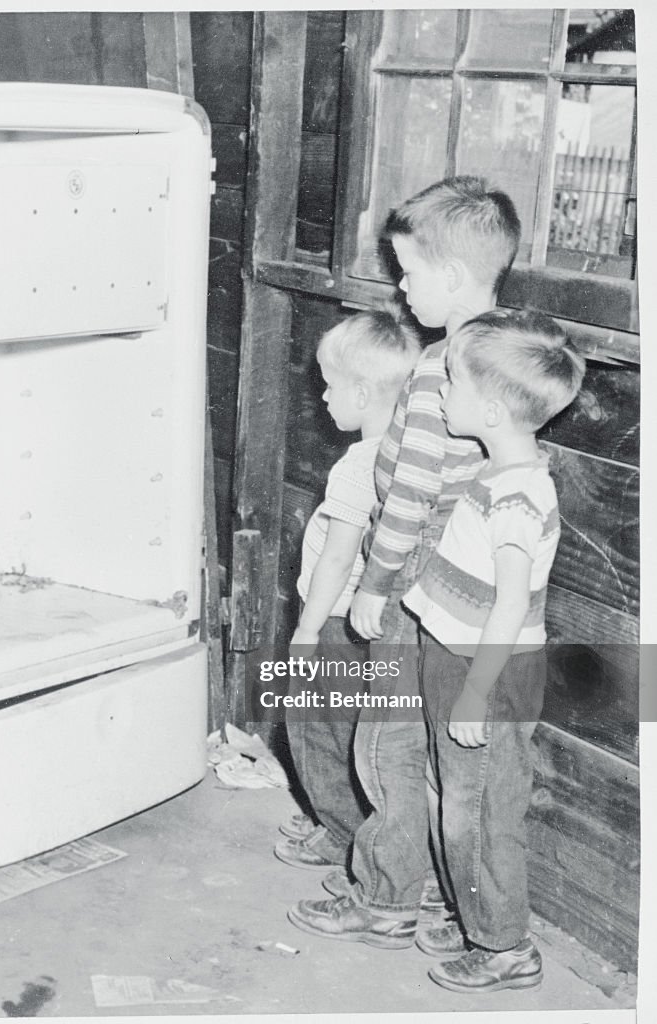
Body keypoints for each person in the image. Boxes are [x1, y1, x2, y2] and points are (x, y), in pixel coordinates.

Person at [288, 176, 521, 949]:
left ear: (450, 277)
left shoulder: (436, 372)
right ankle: (417, 892)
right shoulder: (496, 354)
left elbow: (410, 495)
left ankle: (387, 898)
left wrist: (375, 586)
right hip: (461, 582)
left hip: (408, 577)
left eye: (407, 271)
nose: (398, 285)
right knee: (420, 750)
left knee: (384, 746)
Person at [404, 309, 584, 992]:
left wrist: (476, 693)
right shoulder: (494, 469)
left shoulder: (515, 497)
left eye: (450, 383)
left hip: (488, 672)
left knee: (477, 809)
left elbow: (509, 605)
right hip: (453, 654)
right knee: (454, 794)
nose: (442, 394)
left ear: (489, 409)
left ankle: (504, 944)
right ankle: (472, 909)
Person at [276, 309, 421, 871]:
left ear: (361, 392)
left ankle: (339, 833)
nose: (323, 398)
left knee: (314, 730)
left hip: (334, 622)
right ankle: (346, 823)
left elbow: (337, 558)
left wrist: (306, 631)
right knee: (358, 734)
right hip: (378, 625)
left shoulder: (358, 466)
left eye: (330, 386)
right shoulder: (404, 455)